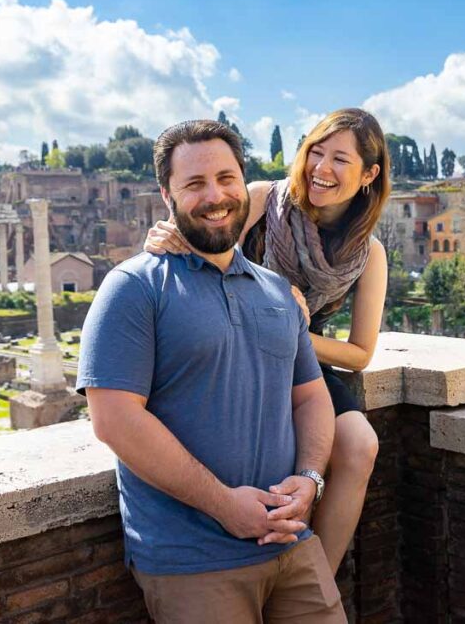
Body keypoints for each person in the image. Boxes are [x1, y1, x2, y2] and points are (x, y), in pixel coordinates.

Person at [79, 119, 345, 623]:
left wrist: (310, 479)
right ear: (166, 195)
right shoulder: (133, 288)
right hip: (192, 561)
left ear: (243, 182)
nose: (215, 196)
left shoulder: (275, 290)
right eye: (194, 184)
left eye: (226, 178)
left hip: (292, 541)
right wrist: (225, 505)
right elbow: (113, 420)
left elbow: (310, 397)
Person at [145, 108, 390, 573]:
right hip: (229, 336)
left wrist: (289, 327)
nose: (321, 168)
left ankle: (322, 577)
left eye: (340, 159)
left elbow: (360, 354)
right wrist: (163, 236)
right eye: (315, 151)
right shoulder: (263, 198)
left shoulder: (369, 252)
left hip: (300, 353)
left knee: (359, 445)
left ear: (369, 174)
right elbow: (203, 237)